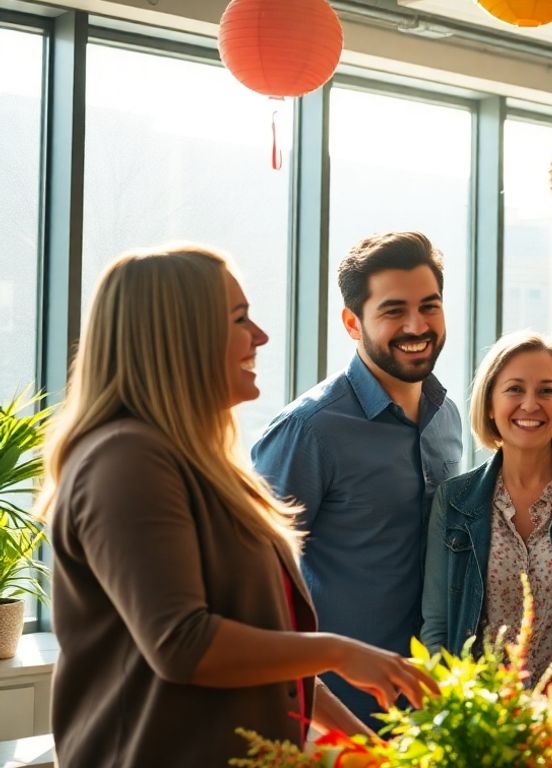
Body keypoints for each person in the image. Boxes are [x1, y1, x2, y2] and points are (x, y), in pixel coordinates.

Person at [38, 244, 436, 767]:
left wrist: (373, 749)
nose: (261, 337)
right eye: (239, 318)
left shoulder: (202, 464)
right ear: (179, 336)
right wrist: (340, 650)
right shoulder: (125, 460)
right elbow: (183, 643)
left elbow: (273, 661)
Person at [253, 231, 463, 724]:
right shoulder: (308, 430)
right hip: (332, 715)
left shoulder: (447, 417)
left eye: (429, 306)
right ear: (353, 323)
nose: (417, 325)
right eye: (393, 311)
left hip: (432, 707)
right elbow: (251, 586)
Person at [421, 331, 552, 684]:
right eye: (514, 389)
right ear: (489, 404)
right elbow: (438, 626)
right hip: (485, 720)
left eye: (547, 390)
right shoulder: (453, 500)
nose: (530, 404)